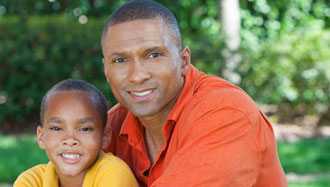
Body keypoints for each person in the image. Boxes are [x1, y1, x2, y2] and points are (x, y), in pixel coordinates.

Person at [101, 0, 288, 186]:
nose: (137, 76)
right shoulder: (109, 127)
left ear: (183, 61)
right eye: (120, 60)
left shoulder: (227, 113)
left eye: (154, 55)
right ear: (106, 70)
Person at [14, 79, 138, 187]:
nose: (70, 140)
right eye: (57, 128)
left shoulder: (113, 173)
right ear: (41, 137)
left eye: (84, 129)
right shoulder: (32, 181)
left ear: (105, 136)